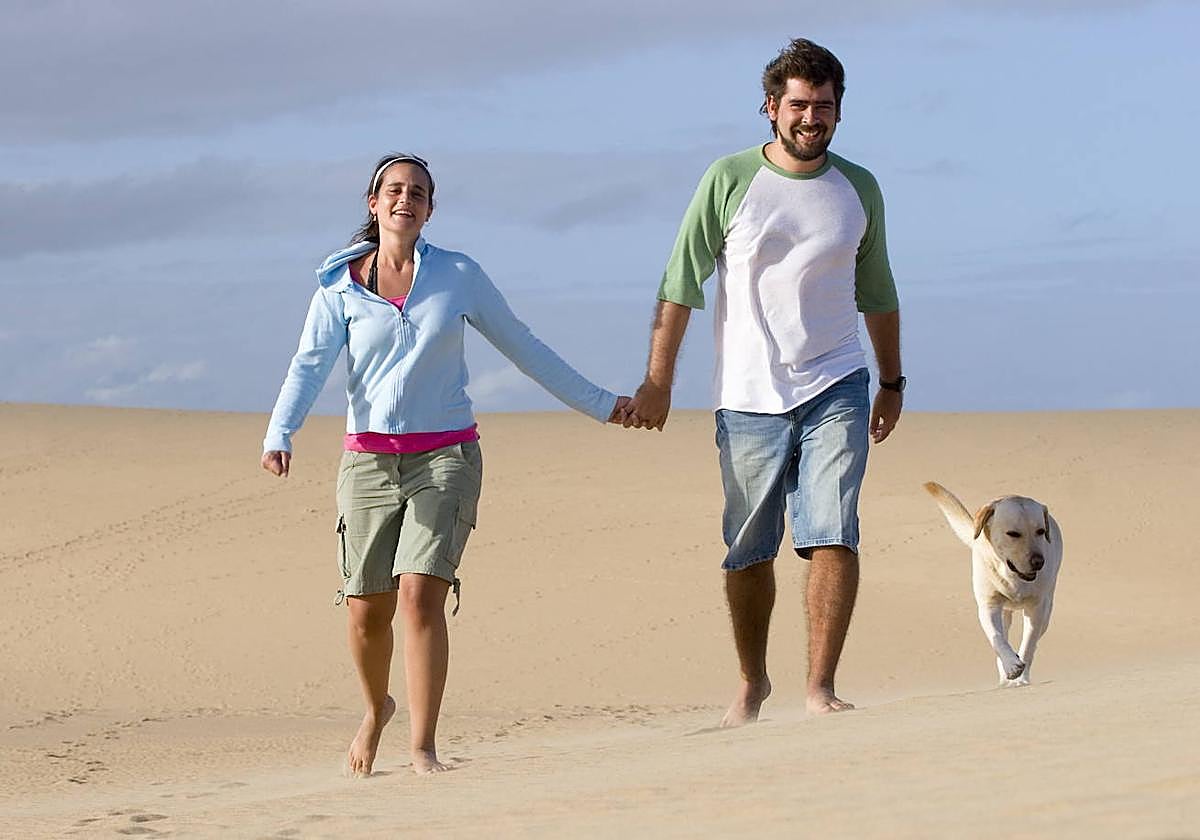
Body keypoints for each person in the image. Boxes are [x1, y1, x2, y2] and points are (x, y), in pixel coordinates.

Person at [261, 153, 629, 775]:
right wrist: (281, 431)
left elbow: (523, 345)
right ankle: (376, 710)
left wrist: (601, 404)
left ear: (431, 208)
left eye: (418, 192)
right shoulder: (339, 286)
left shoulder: (458, 275)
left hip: (446, 458)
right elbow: (309, 365)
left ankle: (423, 747)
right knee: (365, 610)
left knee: (419, 596)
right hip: (368, 463)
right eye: (394, 190)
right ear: (374, 202)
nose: (405, 199)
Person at [624, 39, 903, 724]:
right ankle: (753, 681)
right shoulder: (728, 178)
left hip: (837, 381)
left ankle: (820, 688)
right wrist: (658, 380)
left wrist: (891, 381)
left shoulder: (858, 188)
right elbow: (680, 281)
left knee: (834, 531)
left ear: (839, 111)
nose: (812, 118)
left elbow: (877, 289)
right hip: (748, 396)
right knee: (749, 550)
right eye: (799, 105)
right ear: (772, 107)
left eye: (824, 106)